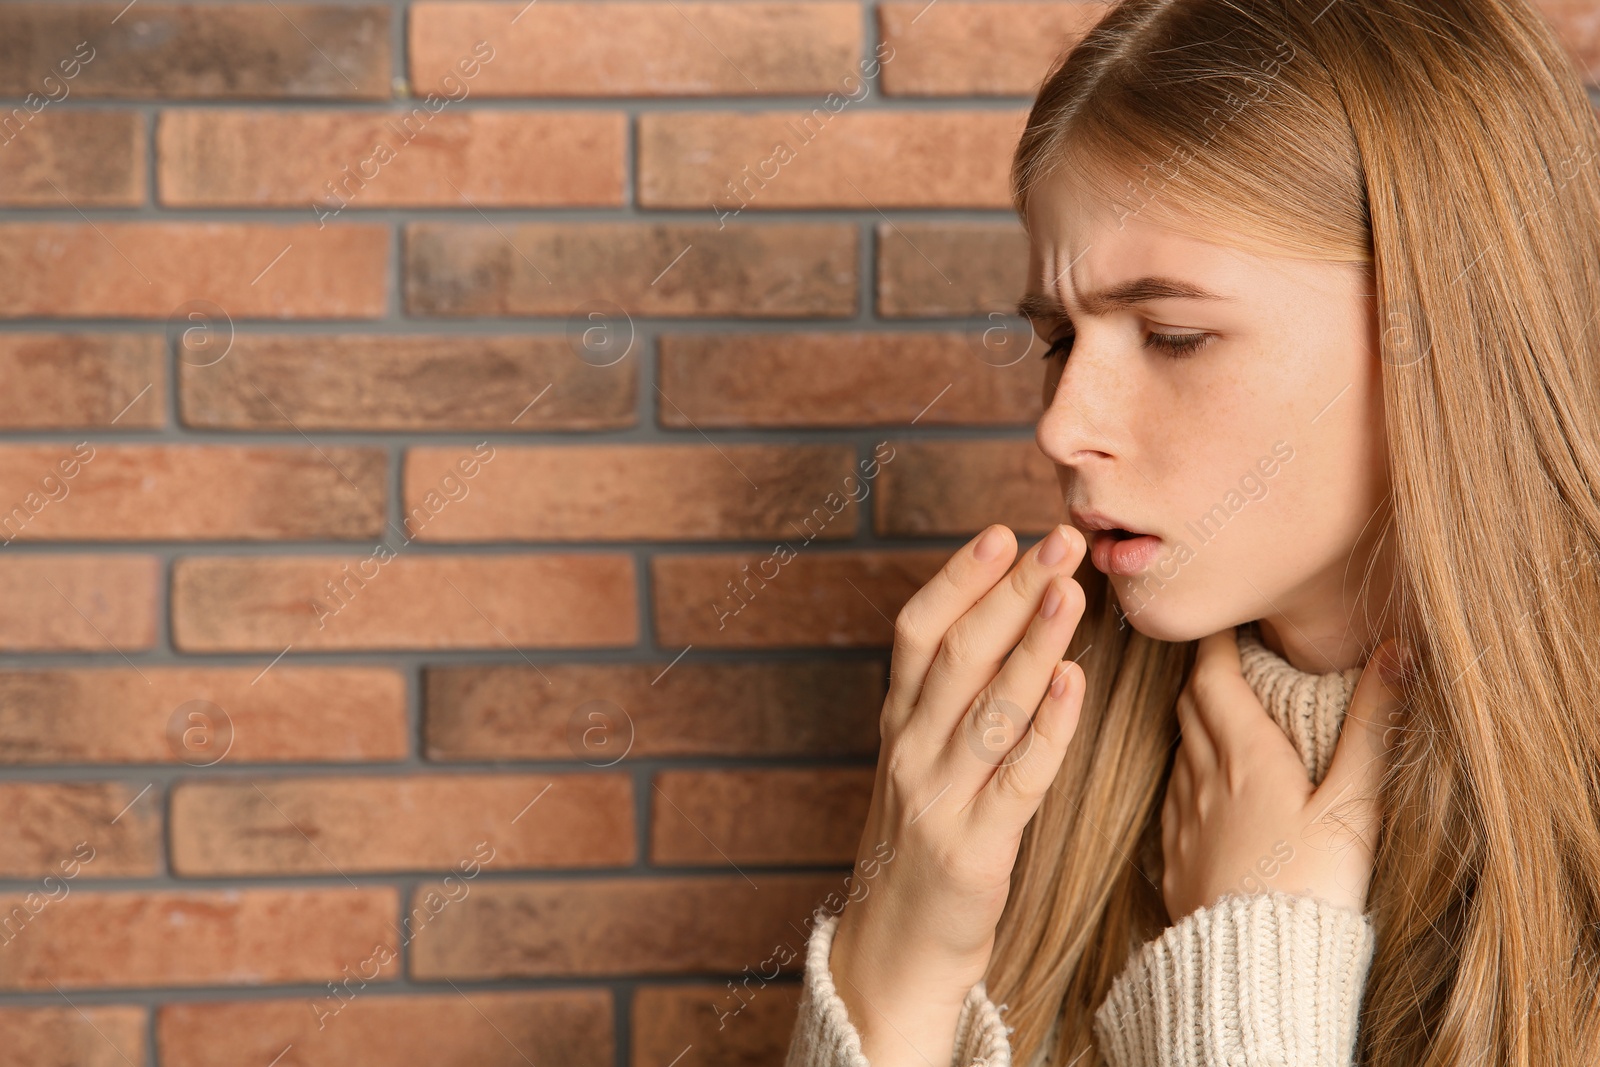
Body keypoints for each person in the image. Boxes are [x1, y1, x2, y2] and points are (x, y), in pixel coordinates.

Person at [785, 0, 1600, 1063]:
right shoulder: (1044, 758)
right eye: (1058, 338)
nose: (1062, 425)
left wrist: (1248, 960)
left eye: (1172, 336)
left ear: (1444, 327)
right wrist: (903, 959)